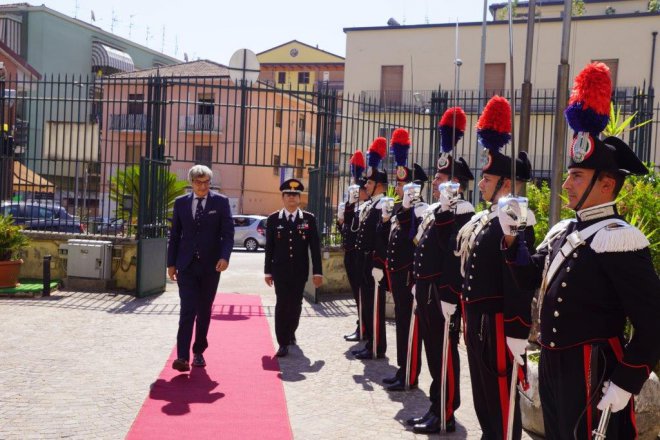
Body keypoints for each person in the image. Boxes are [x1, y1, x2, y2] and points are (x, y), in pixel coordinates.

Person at [501, 62, 660, 439]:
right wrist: (511, 239)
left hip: (594, 369)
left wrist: (627, 381)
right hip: (557, 366)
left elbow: (653, 320)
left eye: (577, 176)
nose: (567, 184)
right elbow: (529, 277)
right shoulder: (565, 231)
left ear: (606, 185)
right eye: (570, 175)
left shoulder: (619, 239)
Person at [455, 96, 536, 440]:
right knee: (484, 395)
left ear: (505, 182)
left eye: (488, 179)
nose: (482, 182)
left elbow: (520, 280)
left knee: (502, 400)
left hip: (499, 322)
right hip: (478, 318)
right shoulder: (487, 217)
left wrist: (518, 330)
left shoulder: (519, 217)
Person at [408, 107, 475, 433]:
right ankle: (436, 406)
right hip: (427, 290)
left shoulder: (463, 210)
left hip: (442, 295)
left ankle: (446, 412)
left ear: (455, 184)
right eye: (436, 177)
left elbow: (454, 254)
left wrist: (449, 294)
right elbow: (420, 245)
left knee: (445, 354)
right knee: (434, 354)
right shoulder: (435, 210)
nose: (434, 182)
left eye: (440, 178)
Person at [167, 164, 234, 372]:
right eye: (198, 182)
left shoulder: (221, 203)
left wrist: (225, 257)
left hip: (210, 266)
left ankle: (198, 352)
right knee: (187, 310)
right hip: (186, 265)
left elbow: (228, 234)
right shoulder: (180, 204)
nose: (203, 186)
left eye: (206, 182)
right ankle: (182, 357)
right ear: (191, 183)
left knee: (204, 311)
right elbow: (175, 235)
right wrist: (171, 263)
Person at [382, 127, 428, 391]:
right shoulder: (400, 210)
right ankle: (403, 369)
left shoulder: (419, 211)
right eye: (398, 184)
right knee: (401, 325)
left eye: (402, 185)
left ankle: (410, 373)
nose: (398, 188)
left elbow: (415, 242)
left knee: (410, 327)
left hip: (409, 279)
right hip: (397, 278)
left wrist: (407, 210)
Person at [264, 178, 323, 357]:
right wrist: (267, 271)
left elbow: (315, 248)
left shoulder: (308, 219)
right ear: (283, 197)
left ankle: (291, 332)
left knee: (296, 304)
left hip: (300, 271)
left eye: (295, 195)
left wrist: (318, 273)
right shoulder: (274, 219)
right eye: (288, 195)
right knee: (282, 304)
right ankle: (282, 342)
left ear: (300, 198)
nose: (291, 198)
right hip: (280, 271)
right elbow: (269, 248)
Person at [352, 136, 389, 360]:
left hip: (374, 262)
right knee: (367, 304)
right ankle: (370, 342)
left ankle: (377, 346)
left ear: (379, 185)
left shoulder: (384, 204)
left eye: (369, 183)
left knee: (375, 306)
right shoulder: (370, 204)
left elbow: (382, 238)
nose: (365, 185)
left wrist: (378, 263)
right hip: (364, 261)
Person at [338, 151, 368, 342]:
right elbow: (344, 228)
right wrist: (341, 219)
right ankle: (361, 324)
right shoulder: (351, 206)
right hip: (350, 253)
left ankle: (363, 327)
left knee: (361, 294)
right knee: (356, 294)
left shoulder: (367, 207)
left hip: (359, 256)